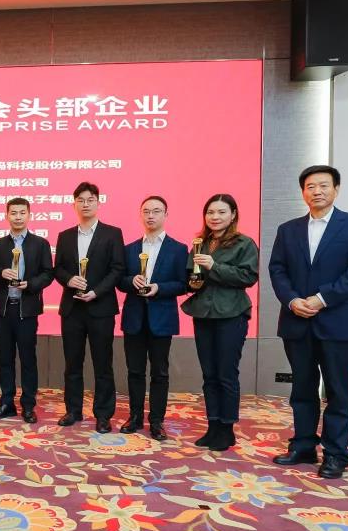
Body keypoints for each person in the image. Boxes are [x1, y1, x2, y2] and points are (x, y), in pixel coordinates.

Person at [269, 165, 348, 479]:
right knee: (302, 388)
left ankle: (336, 454)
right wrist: (292, 300)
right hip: (297, 320)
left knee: (338, 391)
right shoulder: (288, 229)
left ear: (336, 189)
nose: (317, 191)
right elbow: (277, 270)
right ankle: (303, 445)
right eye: (310, 186)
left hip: (338, 321)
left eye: (323, 185)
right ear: (303, 192)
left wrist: (321, 298)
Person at [181, 193, 259, 452]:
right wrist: (191, 282)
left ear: (233, 214)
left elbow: (248, 277)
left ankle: (227, 429)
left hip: (231, 314)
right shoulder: (200, 243)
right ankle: (212, 425)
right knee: (209, 374)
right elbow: (191, 277)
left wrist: (214, 266)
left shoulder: (244, 243)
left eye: (221, 212)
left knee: (226, 373)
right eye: (210, 212)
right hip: (203, 313)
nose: (215, 217)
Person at [53, 181, 125, 433]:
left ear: (98, 202)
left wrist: (96, 292)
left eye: (90, 199)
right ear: (74, 204)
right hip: (72, 309)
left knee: (102, 364)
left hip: (100, 308)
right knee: (72, 364)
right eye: (80, 200)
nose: (85, 204)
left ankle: (103, 414)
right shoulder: (65, 236)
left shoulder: (112, 233)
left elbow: (117, 269)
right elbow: (58, 269)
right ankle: (73, 410)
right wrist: (68, 280)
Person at [115, 195, 189, 440]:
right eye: (146, 211)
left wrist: (159, 288)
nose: (150, 215)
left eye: (156, 211)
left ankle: (156, 421)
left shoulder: (178, 249)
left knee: (160, 373)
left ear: (166, 215)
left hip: (162, 319)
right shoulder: (130, 249)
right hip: (134, 318)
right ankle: (135, 417)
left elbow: (183, 284)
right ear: (140, 215)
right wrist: (130, 281)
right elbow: (120, 280)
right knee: (134, 371)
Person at [0, 198, 54, 424]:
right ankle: (7, 402)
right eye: (13, 213)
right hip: (4, 310)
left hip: (27, 310)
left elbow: (48, 274)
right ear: (7, 216)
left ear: (29, 215)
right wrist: (1, 273)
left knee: (28, 359)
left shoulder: (40, 244)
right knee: (5, 359)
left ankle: (28, 405)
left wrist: (30, 284)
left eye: (22, 213)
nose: (18, 217)